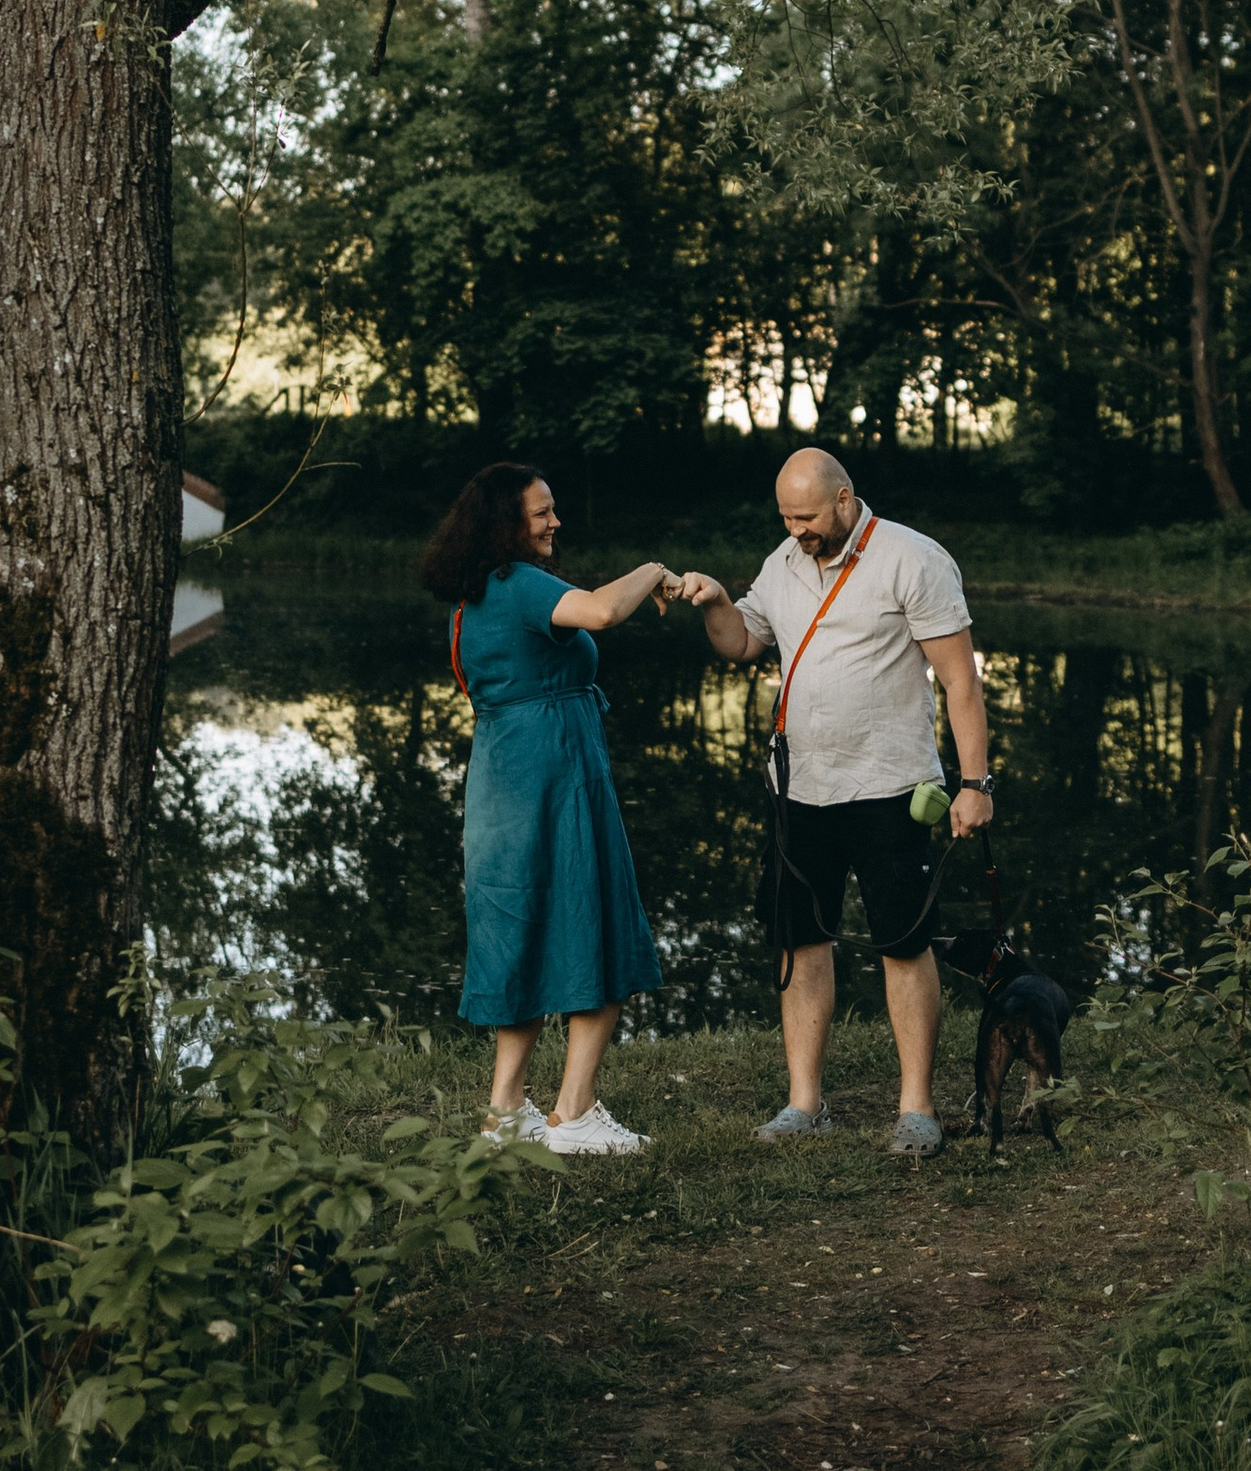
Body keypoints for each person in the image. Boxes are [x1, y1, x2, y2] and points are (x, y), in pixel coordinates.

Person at [675, 446, 993, 1157]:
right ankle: (804, 1102)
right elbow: (741, 645)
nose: (798, 530)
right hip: (799, 792)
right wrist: (717, 602)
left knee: (903, 944)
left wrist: (975, 784)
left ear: (845, 499)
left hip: (890, 789)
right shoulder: (783, 562)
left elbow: (960, 682)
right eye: (787, 517)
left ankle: (916, 1108)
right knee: (799, 939)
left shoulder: (913, 559)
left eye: (809, 516)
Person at [421, 459, 674, 1157]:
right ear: (508, 524)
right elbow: (601, 610)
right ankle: (574, 1113)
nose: (555, 521)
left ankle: (506, 1114)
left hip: (504, 778)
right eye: (543, 512)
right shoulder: (522, 584)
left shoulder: (474, 596)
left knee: (521, 931)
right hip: (556, 777)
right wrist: (655, 569)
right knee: (598, 927)